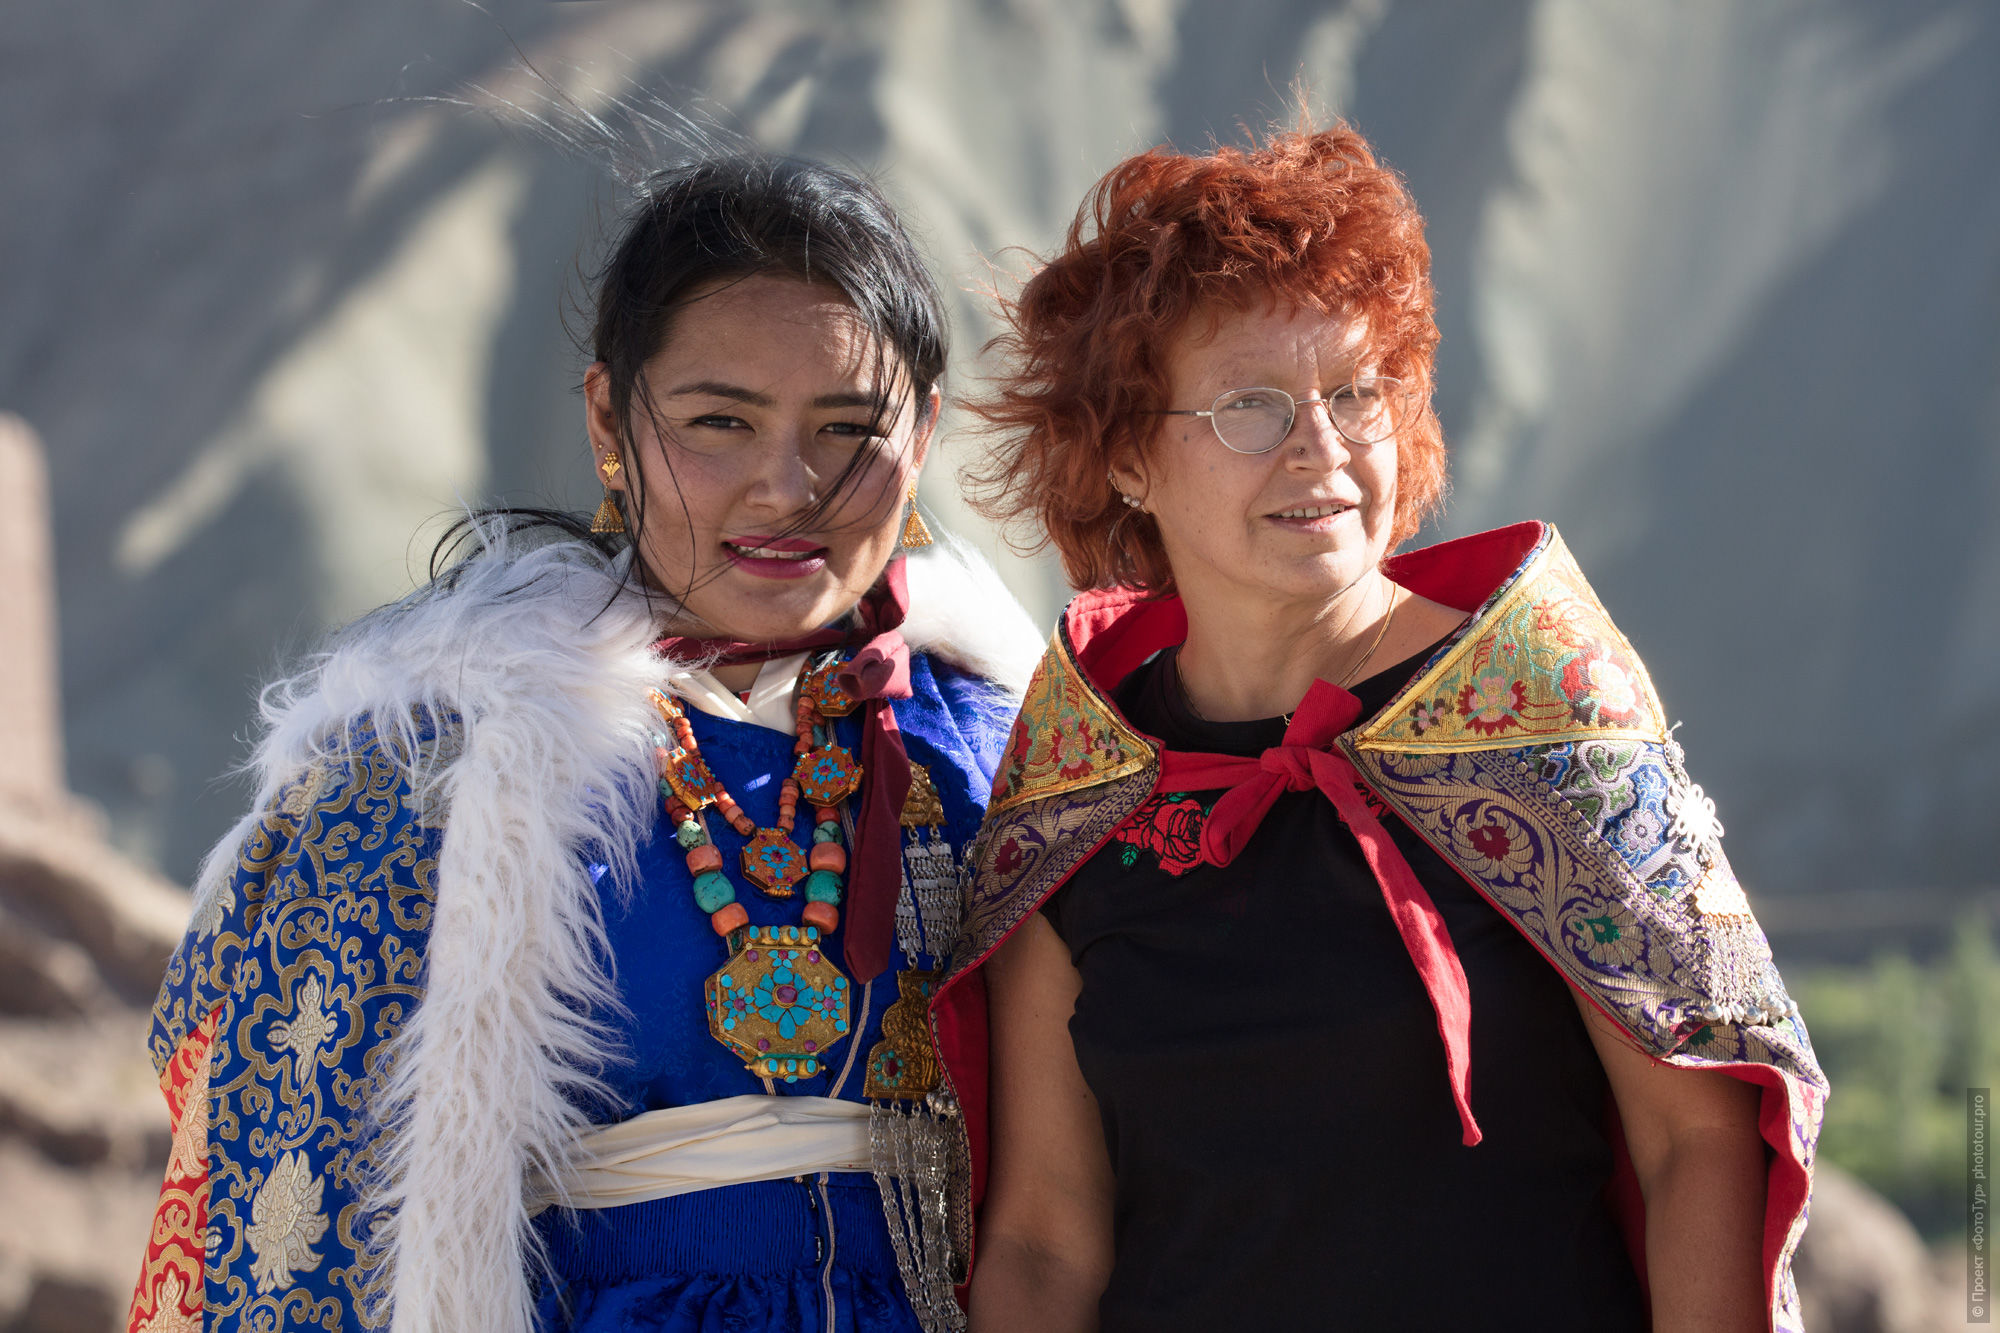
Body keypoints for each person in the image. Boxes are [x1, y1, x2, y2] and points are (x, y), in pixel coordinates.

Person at [126, 153, 1038, 1333]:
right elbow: (280, 1209)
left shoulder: (1002, 750)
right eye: (719, 421)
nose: (787, 485)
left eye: (847, 429)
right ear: (611, 419)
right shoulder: (429, 775)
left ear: (920, 440)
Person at [940, 122, 1826, 1332]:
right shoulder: (1081, 783)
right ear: (1127, 456)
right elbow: (1045, 1242)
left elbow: (1697, 1140)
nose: (1321, 447)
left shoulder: (1537, 715)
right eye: (1250, 404)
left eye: (1354, 392)